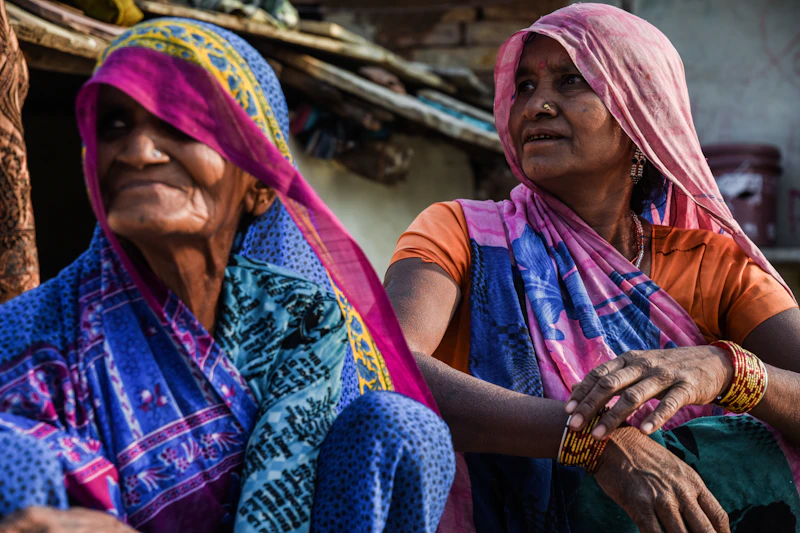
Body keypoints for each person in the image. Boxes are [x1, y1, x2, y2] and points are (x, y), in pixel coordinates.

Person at [0, 18, 454, 533]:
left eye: (181, 122)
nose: (138, 152)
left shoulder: (303, 320)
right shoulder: (29, 341)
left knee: (403, 427)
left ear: (259, 186)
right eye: (114, 125)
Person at [385, 4, 800, 532]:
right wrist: (596, 443)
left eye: (571, 81)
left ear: (640, 112)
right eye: (525, 87)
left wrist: (725, 369)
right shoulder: (461, 233)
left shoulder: (714, 268)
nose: (536, 106)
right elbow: (390, 365)